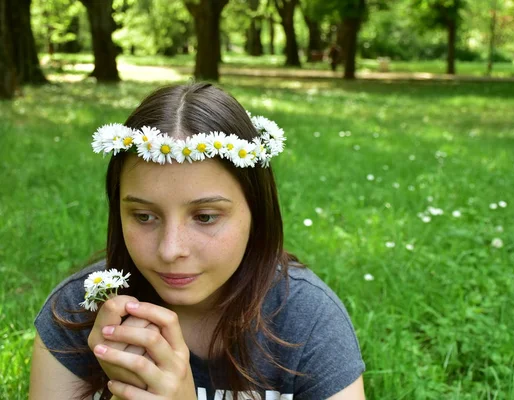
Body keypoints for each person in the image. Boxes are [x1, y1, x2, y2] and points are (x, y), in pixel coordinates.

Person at [29, 83, 365, 400]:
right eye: (144, 217)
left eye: (205, 217)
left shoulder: (307, 321)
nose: (171, 249)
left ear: (256, 212)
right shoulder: (78, 313)